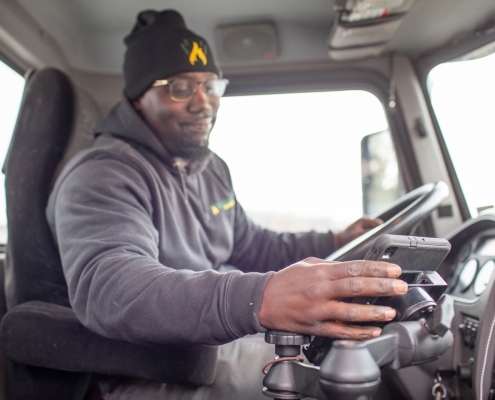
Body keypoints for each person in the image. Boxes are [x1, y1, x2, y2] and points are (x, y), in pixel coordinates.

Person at [46, 9, 407, 400]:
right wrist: (261, 298)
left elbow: (250, 245)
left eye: (210, 86)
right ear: (138, 99)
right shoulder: (103, 174)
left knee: (354, 360)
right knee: (330, 379)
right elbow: (112, 286)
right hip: (150, 368)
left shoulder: (210, 167)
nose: (204, 103)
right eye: (180, 87)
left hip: (214, 343)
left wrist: (336, 238)